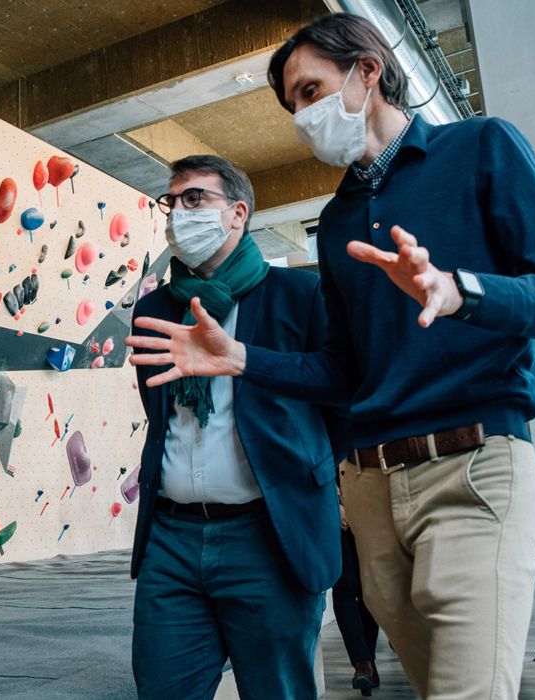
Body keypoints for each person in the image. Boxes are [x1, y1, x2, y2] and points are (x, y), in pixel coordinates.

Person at [126, 13, 535, 700]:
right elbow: (342, 374)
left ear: (367, 71)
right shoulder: (340, 223)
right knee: (429, 684)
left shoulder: (481, 148)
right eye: (293, 102)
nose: (303, 115)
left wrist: (460, 290)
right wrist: (241, 359)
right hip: (375, 488)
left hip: (475, 468)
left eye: (311, 89)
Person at [127, 155, 346, 700]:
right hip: (171, 539)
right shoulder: (154, 308)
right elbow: (157, 412)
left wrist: (308, 478)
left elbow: (339, 397)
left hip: (266, 534)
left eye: (195, 199)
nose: (179, 213)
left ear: (238, 214)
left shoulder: (299, 296)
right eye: (171, 201)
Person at [334, 502, 380, 696]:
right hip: (332, 501)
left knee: (370, 586)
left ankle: (367, 663)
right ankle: (362, 662)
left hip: (369, 501)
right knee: (344, 585)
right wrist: (333, 504)